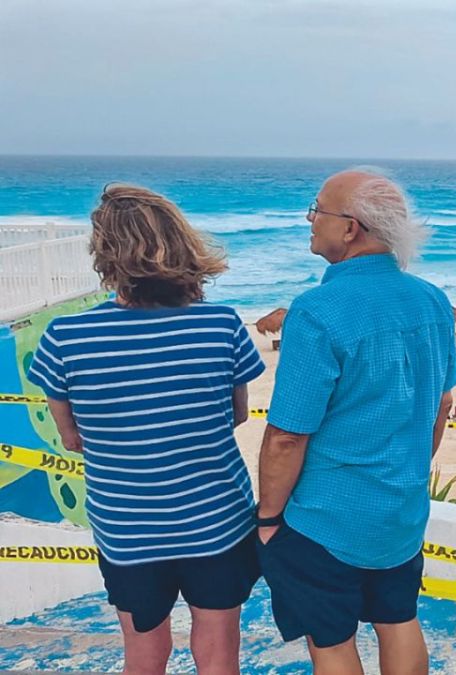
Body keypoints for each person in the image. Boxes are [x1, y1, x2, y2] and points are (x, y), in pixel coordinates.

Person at [26, 185, 265, 675]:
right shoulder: (220, 325)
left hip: (128, 529)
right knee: (219, 651)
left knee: (144, 651)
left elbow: (72, 439)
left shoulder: (64, 339)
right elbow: (236, 415)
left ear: (104, 254)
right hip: (215, 520)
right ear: (181, 244)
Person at [255, 169, 456, 675]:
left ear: (350, 229)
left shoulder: (318, 311)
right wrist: (407, 472)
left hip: (327, 517)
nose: (309, 220)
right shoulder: (432, 300)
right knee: (399, 620)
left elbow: (286, 437)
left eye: (317, 209)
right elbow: (441, 406)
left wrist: (267, 519)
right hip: (400, 512)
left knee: (331, 642)